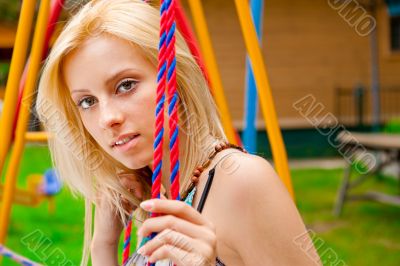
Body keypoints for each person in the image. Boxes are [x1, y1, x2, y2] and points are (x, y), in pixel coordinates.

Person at [36, 0, 319, 265]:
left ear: (176, 79)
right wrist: (104, 244)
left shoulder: (242, 182)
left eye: (125, 85)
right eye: (87, 102)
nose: (107, 118)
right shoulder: (158, 192)